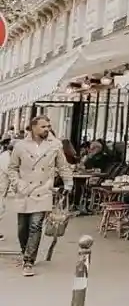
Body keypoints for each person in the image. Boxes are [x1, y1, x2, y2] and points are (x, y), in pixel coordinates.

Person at [5, 116, 73, 276]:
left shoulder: (55, 145)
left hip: (43, 190)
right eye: (43, 126)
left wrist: (68, 183)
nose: (47, 129)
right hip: (24, 190)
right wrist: (17, 183)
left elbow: (63, 166)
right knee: (22, 227)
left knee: (35, 225)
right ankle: (25, 252)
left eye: (48, 126)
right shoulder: (20, 146)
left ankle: (29, 261)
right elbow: (12, 168)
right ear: (33, 127)